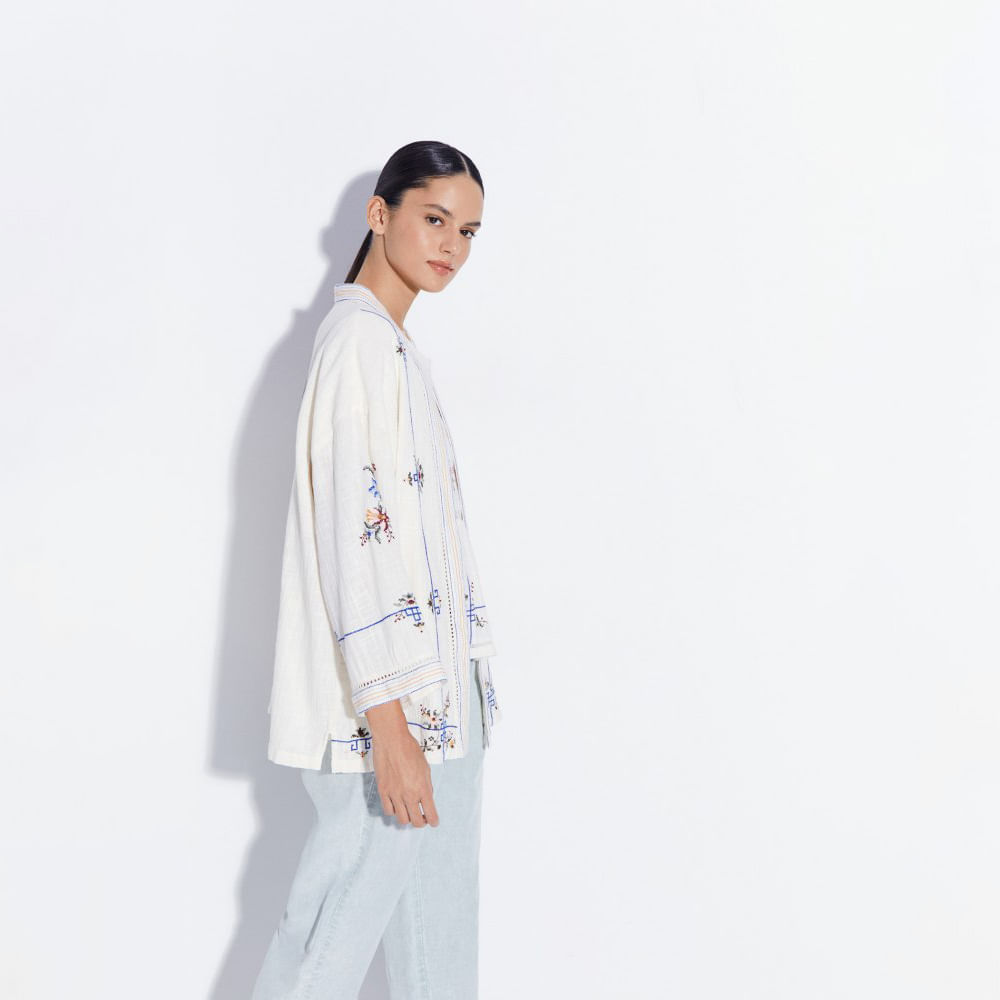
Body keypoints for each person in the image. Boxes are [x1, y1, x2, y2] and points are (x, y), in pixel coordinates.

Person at [252, 140, 503, 999]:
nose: (452, 246)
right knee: (325, 949)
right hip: (390, 715)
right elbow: (354, 544)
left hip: (445, 704)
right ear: (379, 214)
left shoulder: (393, 349)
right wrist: (389, 727)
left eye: (468, 232)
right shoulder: (357, 345)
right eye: (435, 219)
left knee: (441, 952)